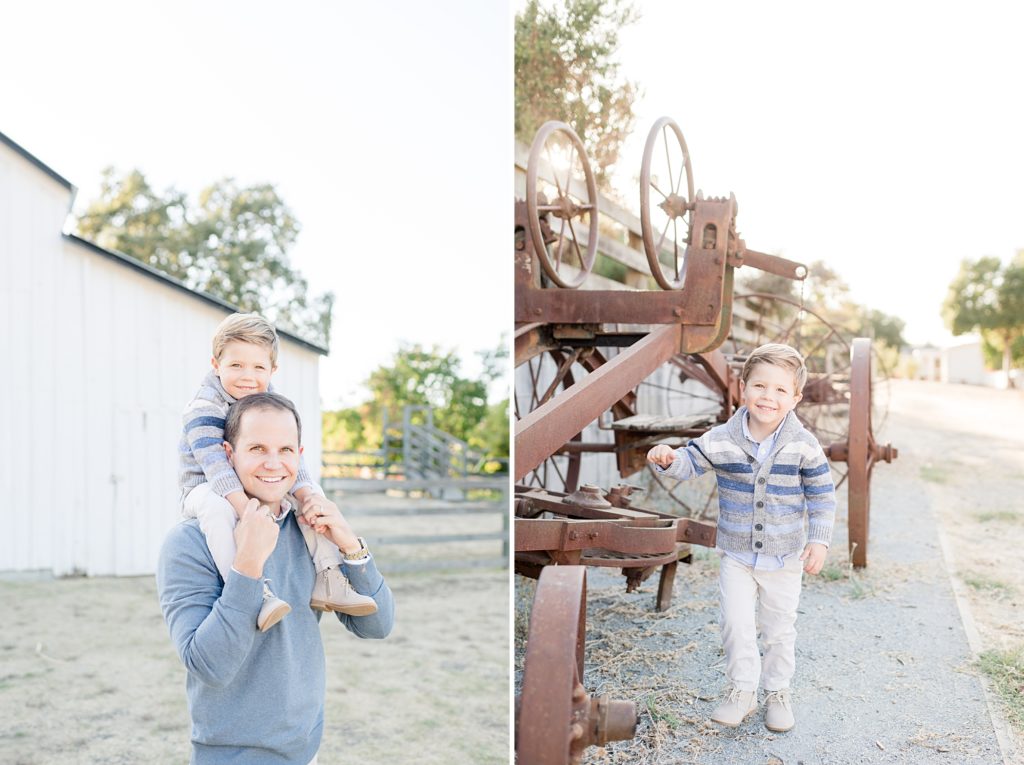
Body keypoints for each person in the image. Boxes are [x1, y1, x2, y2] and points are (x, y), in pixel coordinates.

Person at [158, 391, 395, 764]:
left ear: (299, 457)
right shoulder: (188, 543)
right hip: (234, 756)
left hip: (306, 748)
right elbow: (209, 667)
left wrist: (351, 545)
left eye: (285, 450)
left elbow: (378, 626)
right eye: (257, 448)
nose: (273, 463)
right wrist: (247, 566)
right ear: (228, 454)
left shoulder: (310, 534)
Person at [647, 342, 835, 733]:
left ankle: (778, 692)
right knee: (736, 624)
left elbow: (822, 495)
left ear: (796, 398)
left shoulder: (804, 444)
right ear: (743, 388)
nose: (769, 397)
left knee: (779, 629)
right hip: (736, 555)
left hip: (785, 560)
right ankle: (742, 691)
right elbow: (690, 461)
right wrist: (668, 458)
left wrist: (819, 539)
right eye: (760, 387)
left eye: (781, 390)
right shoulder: (722, 438)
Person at [178, 312, 375, 630]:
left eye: (258, 367)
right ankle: (251, 590)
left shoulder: (271, 402)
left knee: (315, 495)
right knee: (217, 509)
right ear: (216, 365)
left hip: (244, 481)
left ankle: (329, 576)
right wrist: (249, 510)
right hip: (205, 485)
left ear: (272, 370)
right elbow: (216, 468)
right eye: (236, 365)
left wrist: (306, 494)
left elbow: (287, 453)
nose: (247, 376)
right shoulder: (203, 407)